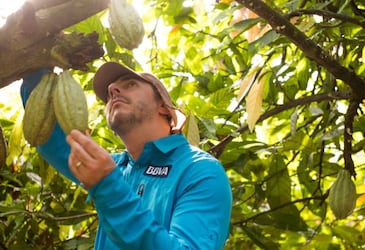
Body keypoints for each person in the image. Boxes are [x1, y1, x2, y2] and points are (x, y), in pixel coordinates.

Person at [20, 62, 233, 249]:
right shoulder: (115, 167)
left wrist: (108, 187)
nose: (112, 90)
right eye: (109, 94)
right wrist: (36, 76)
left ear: (164, 107)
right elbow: (54, 142)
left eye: (130, 83)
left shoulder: (200, 170)